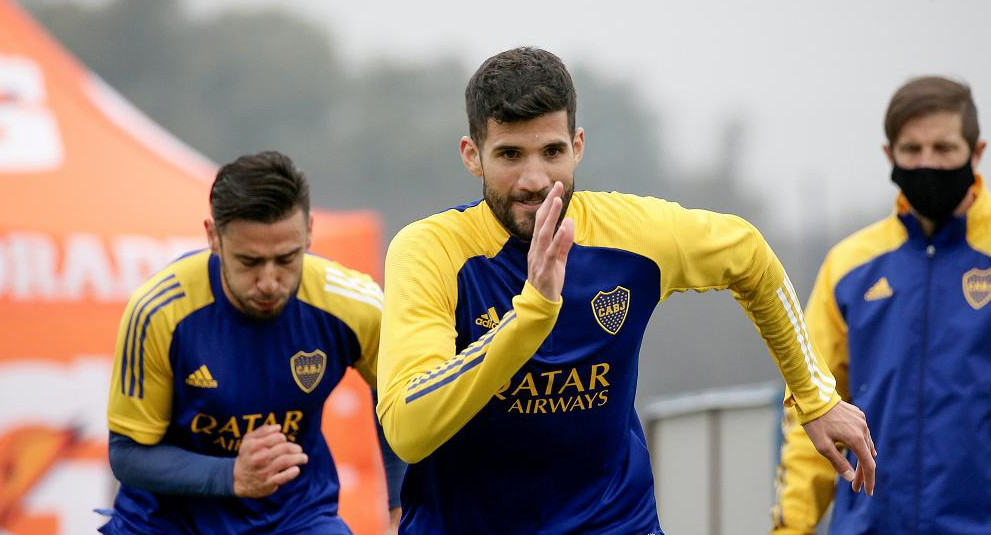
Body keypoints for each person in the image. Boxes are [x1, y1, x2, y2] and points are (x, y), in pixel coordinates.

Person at [376, 47, 876, 535]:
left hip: (613, 522)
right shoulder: (430, 251)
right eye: (510, 154)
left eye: (552, 151)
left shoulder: (633, 235)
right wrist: (532, 315)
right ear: (473, 156)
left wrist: (816, 396)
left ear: (578, 146)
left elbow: (748, 255)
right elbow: (408, 429)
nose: (534, 179)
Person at [101, 151, 404, 534]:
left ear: (309, 231)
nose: (269, 281)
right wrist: (230, 475)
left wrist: (400, 508)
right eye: (249, 261)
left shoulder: (356, 305)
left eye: (287, 258)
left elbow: (401, 401)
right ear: (213, 237)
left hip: (294, 518)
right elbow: (127, 455)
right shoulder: (159, 312)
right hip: (165, 522)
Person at [772, 76, 990, 534]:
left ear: (977, 152)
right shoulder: (848, 267)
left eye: (944, 148)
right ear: (889, 155)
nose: (927, 163)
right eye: (912, 150)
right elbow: (808, 412)